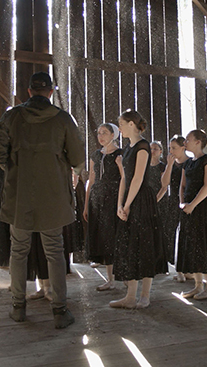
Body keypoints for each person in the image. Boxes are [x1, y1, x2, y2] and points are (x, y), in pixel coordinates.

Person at [0, 72, 84, 329]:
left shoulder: (12, 116)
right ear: (51, 92)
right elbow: (77, 159)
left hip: (19, 195)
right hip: (53, 195)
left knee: (18, 250)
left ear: (29, 91)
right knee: (55, 252)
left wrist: (14, 170)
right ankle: (59, 310)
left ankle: (18, 308)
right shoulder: (63, 119)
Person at [110, 110, 166, 309]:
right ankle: (130, 296)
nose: (120, 128)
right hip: (128, 199)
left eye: (122, 124)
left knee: (144, 245)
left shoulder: (143, 147)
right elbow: (124, 178)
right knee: (129, 246)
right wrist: (119, 205)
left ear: (132, 124)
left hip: (141, 201)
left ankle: (144, 295)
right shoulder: (128, 147)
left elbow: (138, 178)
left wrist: (127, 205)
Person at [177, 130, 207, 300]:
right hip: (187, 208)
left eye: (188, 140)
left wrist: (193, 205)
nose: (185, 143)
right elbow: (182, 186)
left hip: (202, 208)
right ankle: (197, 286)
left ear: (198, 142)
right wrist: (182, 203)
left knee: (203, 244)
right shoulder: (188, 163)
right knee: (191, 245)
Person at [83, 123, 123, 291]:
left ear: (113, 134)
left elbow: (125, 179)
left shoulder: (120, 154)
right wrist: (86, 205)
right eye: (99, 133)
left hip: (114, 198)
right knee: (104, 238)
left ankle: (126, 277)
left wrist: (122, 203)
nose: (100, 136)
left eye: (104, 133)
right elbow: (91, 181)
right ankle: (110, 279)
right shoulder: (95, 155)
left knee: (116, 236)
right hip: (97, 200)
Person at [158, 136, 189, 282]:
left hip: (187, 202)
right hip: (173, 203)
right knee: (171, 234)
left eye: (174, 148)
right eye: (169, 148)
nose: (171, 151)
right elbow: (164, 183)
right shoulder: (170, 164)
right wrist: (169, 165)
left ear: (183, 147)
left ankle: (187, 269)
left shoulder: (190, 163)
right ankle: (179, 269)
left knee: (186, 235)